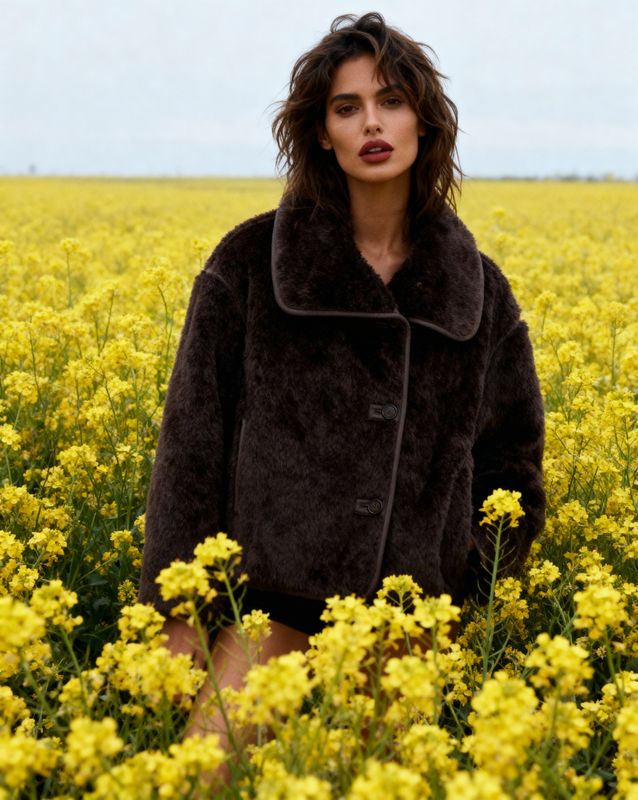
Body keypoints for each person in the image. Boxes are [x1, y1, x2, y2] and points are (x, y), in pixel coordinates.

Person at [138, 10, 546, 786]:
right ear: (321, 131)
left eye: (390, 101)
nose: (372, 123)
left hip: (409, 634)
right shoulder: (252, 261)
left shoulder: (478, 289)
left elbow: (513, 456)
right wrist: (178, 608)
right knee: (191, 782)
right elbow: (192, 440)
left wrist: (469, 591)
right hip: (272, 615)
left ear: (423, 121)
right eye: (346, 106)